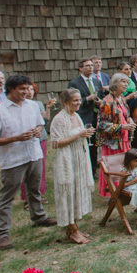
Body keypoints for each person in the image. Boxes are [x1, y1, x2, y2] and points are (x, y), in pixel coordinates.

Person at [0, 75, 57, 250]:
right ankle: (2, 234)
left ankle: (39, 217)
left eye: (27, 88)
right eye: (21, 89)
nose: (26, 92)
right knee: (7, 195)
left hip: (34, 153)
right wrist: (16, 138)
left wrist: (38, 130)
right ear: (10, 89)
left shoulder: (32, 106)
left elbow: (40, 124)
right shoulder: (1, 110)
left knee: (34, 188)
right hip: (13, 158)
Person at [49, 87, 96, 244]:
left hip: (79, 157)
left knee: (77, 191)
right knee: (68, 193)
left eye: (79, 100)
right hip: (67, 159)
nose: (78, 103)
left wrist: (86, 134)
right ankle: (72, 229)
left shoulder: (76, 116)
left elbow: (79, 135)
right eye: (75, 100)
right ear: (65, 102)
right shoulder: (60, 119)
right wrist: (78, 135)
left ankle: (74, 227)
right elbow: (55, 143)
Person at [97, 73, 136, 196]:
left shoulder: (122, 99)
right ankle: (111, 191)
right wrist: (122, 126)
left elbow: (125, 116)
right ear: (115, 84)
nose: (126, 84)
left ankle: (122, 188)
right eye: (123, 82)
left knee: (123, 165)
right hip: (113, 141)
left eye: (126, 82)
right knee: (113, 166)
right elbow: (102, 125)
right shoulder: (107, 101)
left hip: (124, 138)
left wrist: (130, 121)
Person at [20, 83, 56, 209]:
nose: (29, 92)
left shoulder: (38, 103)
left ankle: (39, 194)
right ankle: (26, 199)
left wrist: (48, 108)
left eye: (31, 89)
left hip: (42, 138)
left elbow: (45, 121)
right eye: (27, 89)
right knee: (27, 169)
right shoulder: (20, 106)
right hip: (27, 139)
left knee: (40, 168)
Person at [68, 58, 103, 178]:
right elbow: (71, 101)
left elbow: (102, 97)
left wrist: (100, 102)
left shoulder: (97, 82)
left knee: (94, 144)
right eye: (87, 66)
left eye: (91, 65)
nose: (90, 67)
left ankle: (93, 170)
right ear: (80, 68)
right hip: (83, 117)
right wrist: (87, 99)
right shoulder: (74, 83)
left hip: (96, 117)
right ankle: (83, 169)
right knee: (84, 144)